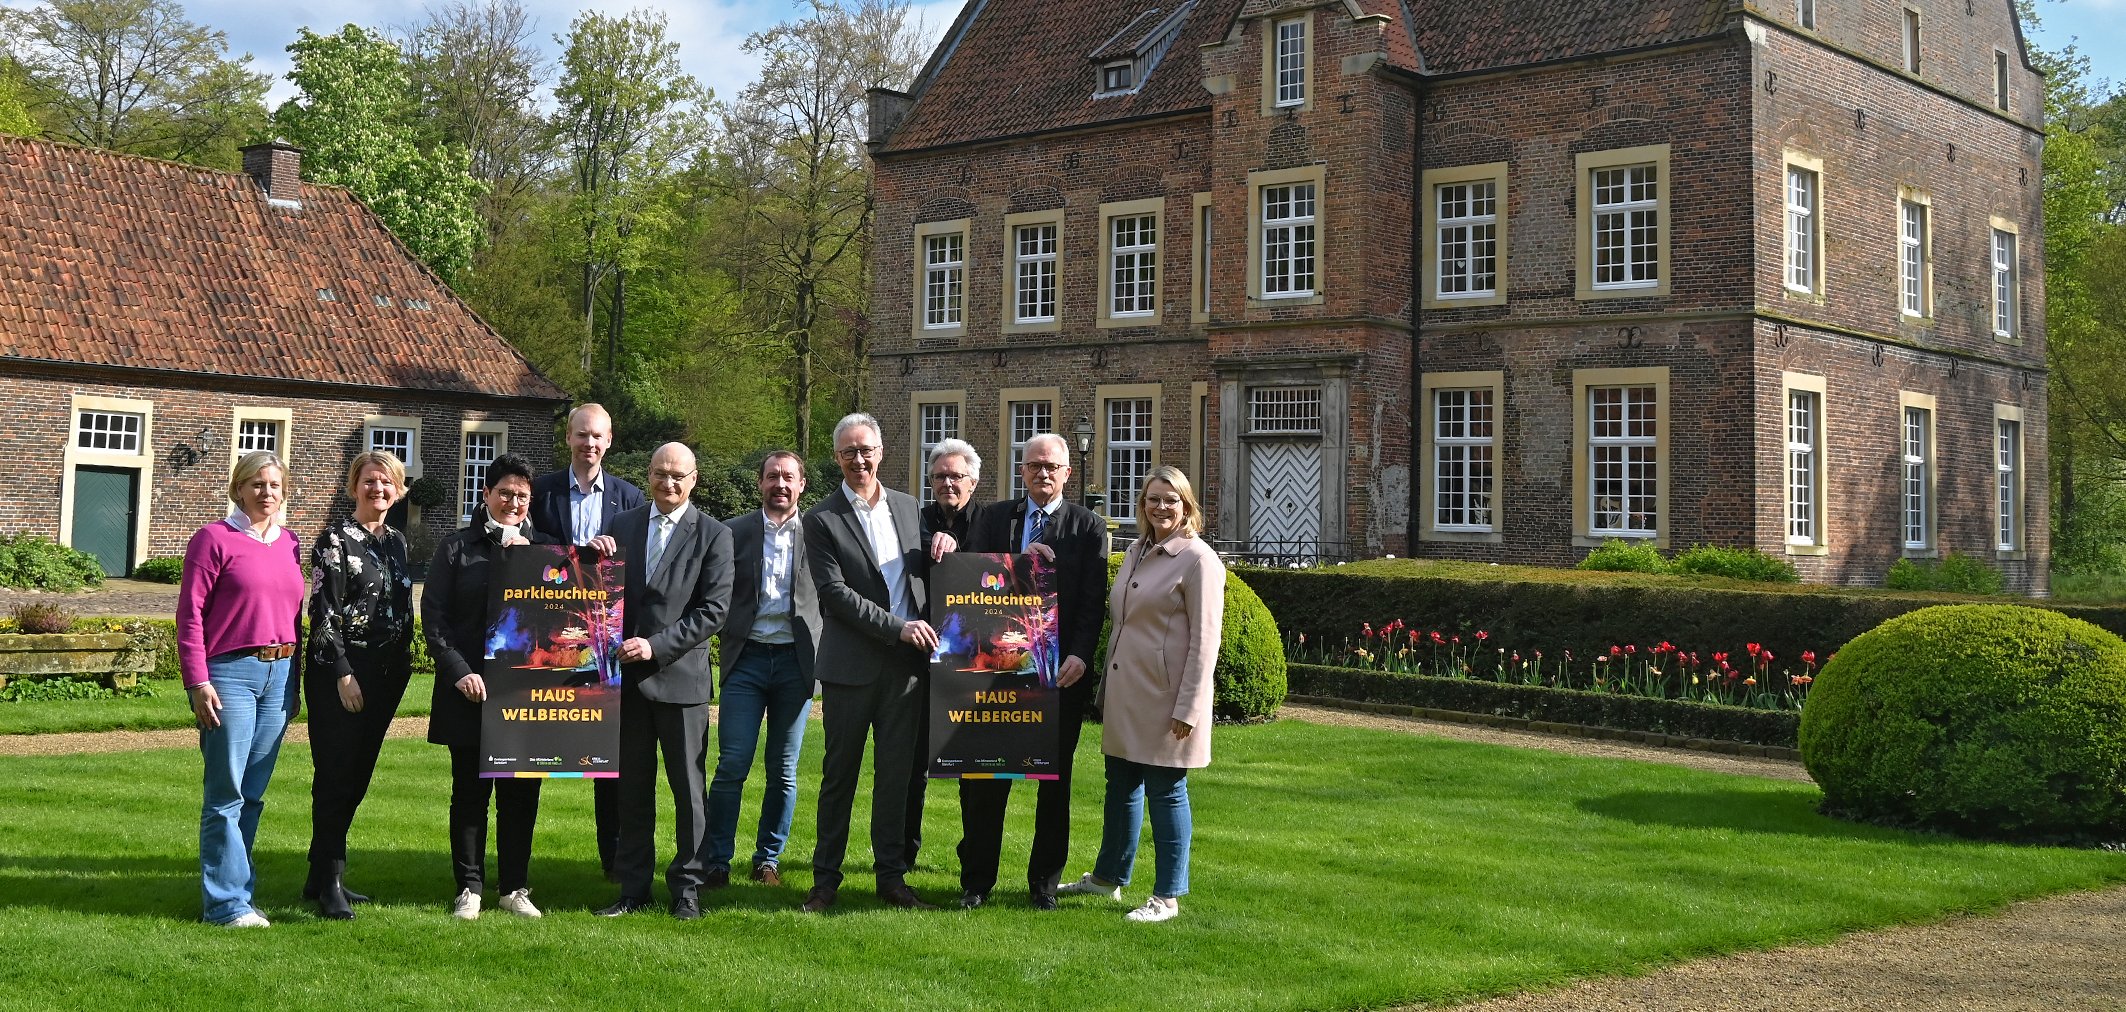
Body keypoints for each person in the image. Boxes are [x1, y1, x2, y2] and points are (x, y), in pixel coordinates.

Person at [1058, 466, 1225, 924]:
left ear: (1187, 505)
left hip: (1167, 698)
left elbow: (1205, 640)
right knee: (1121, 787)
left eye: (1171, 500)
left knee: (1167, 792)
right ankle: (1108, 878)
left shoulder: (1198, 560)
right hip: (1126, 694)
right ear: (1142, 505)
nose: (1161, 507)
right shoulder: (1135, 550)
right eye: (1153, 499)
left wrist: (1190, 706)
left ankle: (1168, 895)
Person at [951, 433, 1109, 909]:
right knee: (984, 780)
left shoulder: (1086, 527)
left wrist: (1080, 655)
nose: (1043, 473)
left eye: (1052, 466)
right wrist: (1019, 564)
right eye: (1034, 465)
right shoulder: (997, 518)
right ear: (1022, 471)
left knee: (1052, 784)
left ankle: (1043, 886)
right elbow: (973, 579)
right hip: (999, 671)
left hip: (1060, 675)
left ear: (1067, 473)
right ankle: (976, 883)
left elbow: (1091, 603)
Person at [799, 412, 939, 912]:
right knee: (840, 776)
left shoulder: (908, 507)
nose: (859, 460)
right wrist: (895, 626)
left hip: (906, 670)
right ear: (836, 458)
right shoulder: (820, 519)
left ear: (881, 452)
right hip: (850, 667)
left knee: (896, 777)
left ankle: (891, 878)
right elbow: (833, 595)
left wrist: (948, 545)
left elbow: (925, 576)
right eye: (848, 452)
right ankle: (824, 882)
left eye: (866, 450)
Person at [597, 442, 734, 920]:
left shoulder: (715, 535)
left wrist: (656, 646)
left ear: (693, 479)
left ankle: (687, 890)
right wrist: (591, 558)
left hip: (681, 682)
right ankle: (632, 889)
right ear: (648, 474)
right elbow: (597, 592)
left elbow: (714, 611)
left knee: (689, 792)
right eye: (660, 473)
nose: (668, 483)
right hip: (627, 684)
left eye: (678, 475)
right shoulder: (621, 525)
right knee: (631, 791)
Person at [424, 452, 556, 921]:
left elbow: (566, 620)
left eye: (521, 495)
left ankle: (515, 888)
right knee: (471, 793)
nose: (513, 502)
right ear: (486, 496)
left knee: (522, 794)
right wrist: (460, 671)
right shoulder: (456, 548)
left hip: (525, 695)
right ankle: (470, 887)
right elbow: (434, 620)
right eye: (504, 493)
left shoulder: (549, 550)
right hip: (470, 690)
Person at [177, 449, 305, 928]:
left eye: (274, 486)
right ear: (239, 488)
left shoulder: (289, 543)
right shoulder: (213, 539)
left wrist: (296, 686)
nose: (266, 493)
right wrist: (198, 680)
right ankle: (224, 904)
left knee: (252, 793)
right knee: (225, 792)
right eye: (256, 484)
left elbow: (295, 618)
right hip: (229, 673)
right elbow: (189, 614)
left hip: (280, 674)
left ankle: (240, 895)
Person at [530, 402, 644, 881]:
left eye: (596, 436)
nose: (589, 444)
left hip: (606, 647)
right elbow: (528, 557)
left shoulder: (631, 498)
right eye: (581, 436)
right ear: (569, 439)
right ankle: (517, 868)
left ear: (610, 440)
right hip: (545, 639)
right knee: (529, 752)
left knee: (607, 759)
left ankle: (614, 862)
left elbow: (638, 568)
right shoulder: (540, 494)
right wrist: (579, 552)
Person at [303, 450, 416, 920]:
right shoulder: (334, 541)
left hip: (387, 675)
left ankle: (319, 875)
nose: (378, 489)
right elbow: (322, 613)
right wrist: (343, 672)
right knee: (336, 776)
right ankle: (331, 879)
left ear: (399, 489)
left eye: (387, 482)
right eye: (370, 481)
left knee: (359, 776)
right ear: (354, 487)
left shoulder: (397, 542)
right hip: (341, 672)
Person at [704, 451, 819, 890]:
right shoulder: (733, 532)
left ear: (802, 485)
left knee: (784, 770)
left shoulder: (819, 533)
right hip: (746, 659)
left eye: (789, 477)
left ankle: (767, 859)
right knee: (732, 762)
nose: (781, 484)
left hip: (795, 661)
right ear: (760, 483)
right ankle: (717, 860)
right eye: (773, 476)